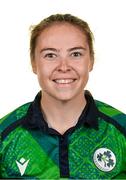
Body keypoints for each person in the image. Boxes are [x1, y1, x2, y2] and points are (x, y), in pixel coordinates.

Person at [0, 13, 126, 179]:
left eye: (75, 54)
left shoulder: (120, 130)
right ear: (33, 63)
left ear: (91, 61)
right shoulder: (5, 136)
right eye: (50, 55)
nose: (64, 67)